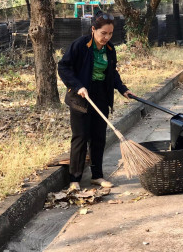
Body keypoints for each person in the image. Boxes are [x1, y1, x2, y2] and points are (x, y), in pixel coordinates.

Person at [58, 11, 135, 191]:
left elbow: (112, 73)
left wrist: (123, 89)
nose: (107, 37)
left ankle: (97, 176)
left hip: (101, 95)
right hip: (81, 98)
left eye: (110, 34)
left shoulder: (110, 49)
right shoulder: (80, 46)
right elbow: (63, 67)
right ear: (93, 29)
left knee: (98, 137)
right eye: (103, 33)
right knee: (80, 137)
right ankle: (74, 179)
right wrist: (77, 86)